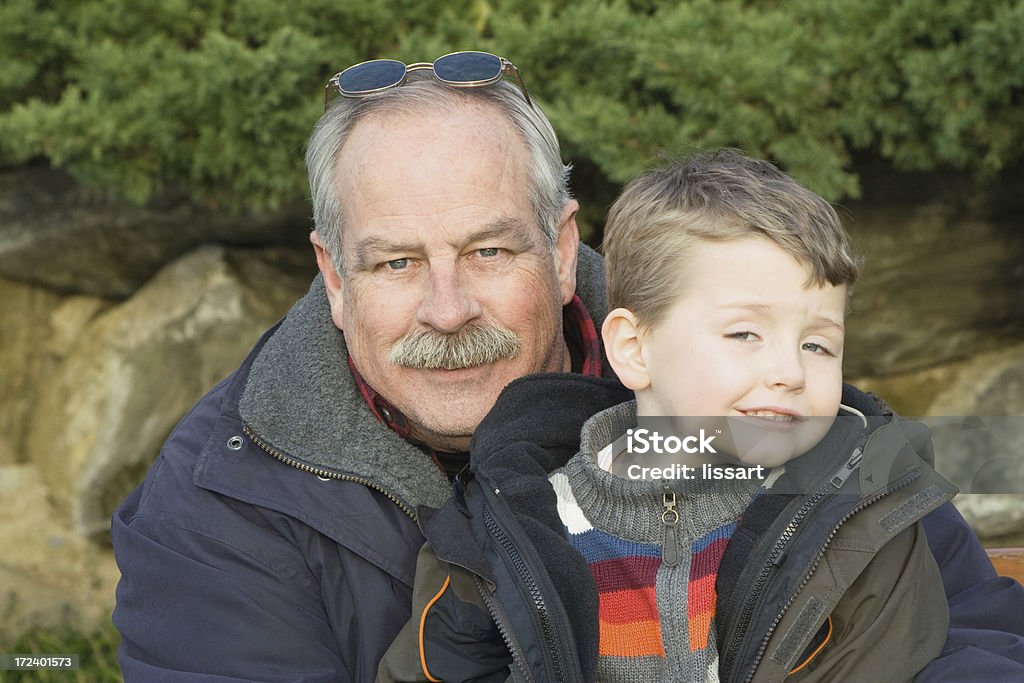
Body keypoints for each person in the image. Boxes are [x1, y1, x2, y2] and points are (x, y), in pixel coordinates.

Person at [110, 53, 1024, 682]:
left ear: (559, 247)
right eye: (396, 263)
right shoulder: (217, 505)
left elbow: (977, 635)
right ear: (333, 276)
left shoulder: (735, 377)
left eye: (489, 251)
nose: (447, 307)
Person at [377, 150, 960, 682]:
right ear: (634, 349)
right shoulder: (511, 525)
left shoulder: (857, 518)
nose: (791, 372)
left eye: (818, 344)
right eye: (745, 333)